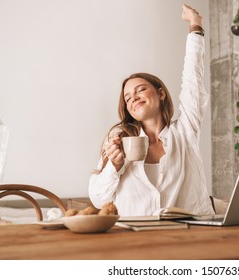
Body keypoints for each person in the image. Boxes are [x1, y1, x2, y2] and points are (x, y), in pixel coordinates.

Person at [89, 4, 215, 216]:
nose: (134, 98)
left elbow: (193, 82)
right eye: (128, 98)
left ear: (161, 94)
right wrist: (114, 165)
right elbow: (99, 200)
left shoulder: (185, 132)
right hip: (133, 240)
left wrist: (196, 28)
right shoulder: (118, 137)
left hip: (186, 236)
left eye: (140, 90)